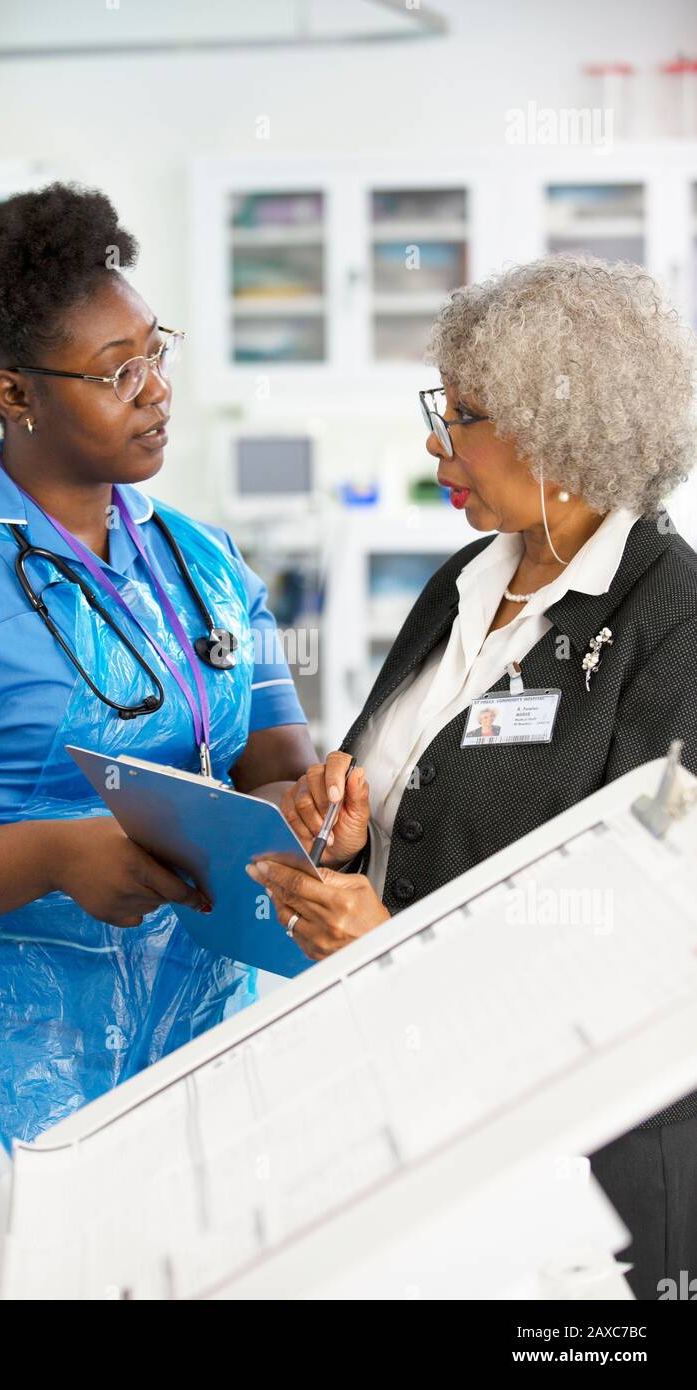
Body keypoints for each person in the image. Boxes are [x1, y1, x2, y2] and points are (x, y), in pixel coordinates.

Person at [0, 182, 315, 1299]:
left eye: (155, 352)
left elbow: (271, 752)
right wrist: (57, 854)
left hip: (192, 1034)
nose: (157, 392)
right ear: (14, 393)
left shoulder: (199, 557)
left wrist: (310, 798)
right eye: (115, 371)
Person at [249, 255, 697, 1298]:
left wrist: (393, 942)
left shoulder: (671, 624)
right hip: (418, 1107)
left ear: (564, 429)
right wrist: (350, 821)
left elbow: (653, 941)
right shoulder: (467, 577)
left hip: (589, 1150)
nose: (431, 439)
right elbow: (412, 788)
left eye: (462, 414)